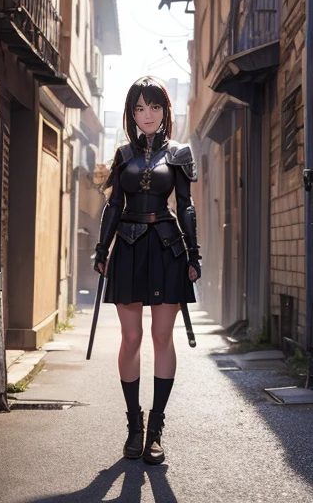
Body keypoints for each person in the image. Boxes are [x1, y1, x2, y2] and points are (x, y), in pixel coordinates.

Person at [93, 76, 201, 465]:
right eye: (139, 108)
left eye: (154, 107)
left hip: (167, 247)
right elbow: (113, 205)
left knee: (161, 337)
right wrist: (101, 248)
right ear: (131, 114)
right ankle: (133, 426)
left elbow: (185, 206)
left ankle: (155, 429)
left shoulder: (180, 153)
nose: (147, 115)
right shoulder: (122, 154)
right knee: (131, 337)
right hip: (128, 247)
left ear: (165, 111)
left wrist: (194, 254)